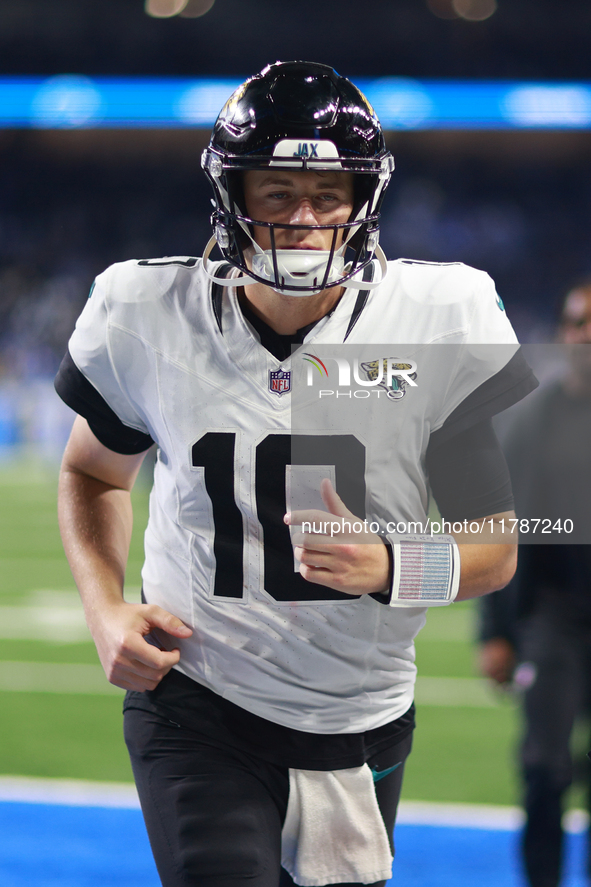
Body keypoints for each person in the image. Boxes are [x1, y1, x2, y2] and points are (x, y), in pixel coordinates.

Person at [55, 61, 536, 887]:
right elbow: (92, 473)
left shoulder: (433, 319)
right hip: (196, 698)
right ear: (232, 197)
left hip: (361, 713)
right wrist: (104, 610)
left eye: (326, 191)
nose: (304, 217)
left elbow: (493, 548)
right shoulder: (143, 310)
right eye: (276, 192)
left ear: (363, 198)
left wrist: (389, 564)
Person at [478, 283, 591, 887]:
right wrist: (497, 633)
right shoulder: (531, 421)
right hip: (555, 618)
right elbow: (498, 530)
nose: (586, 335)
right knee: (545, 769)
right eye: (577, 323)